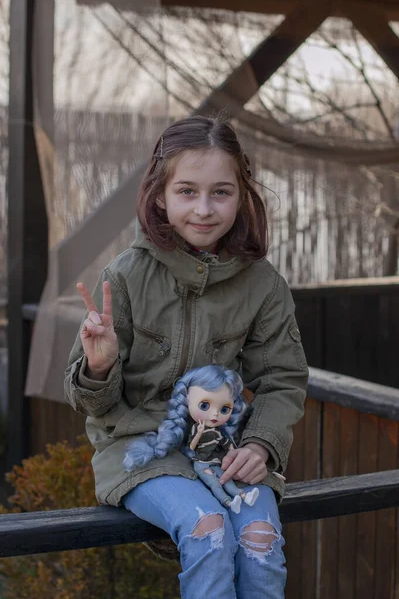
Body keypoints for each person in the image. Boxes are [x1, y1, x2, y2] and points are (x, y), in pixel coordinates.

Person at [65, 114, 309, 599]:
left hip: (224, 450)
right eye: (187, 191)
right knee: (209, 530)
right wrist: (100, 364)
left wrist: (260, 445)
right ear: (160, 194)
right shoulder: (126, 275)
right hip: (140, 451)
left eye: (220, 192)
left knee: (261, 542)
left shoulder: (263, 284)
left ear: (241, 196)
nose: (204, 208)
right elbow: (91, 405)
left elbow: (284, 378)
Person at [123, 364, 260, 514]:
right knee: (216, 483)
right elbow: (192, 447)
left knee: (227, 481)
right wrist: (200, 432)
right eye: (204, 405)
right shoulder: (196, 429)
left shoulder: (220, 432)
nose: (215, 415)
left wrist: (234, 453)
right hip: (201, 464)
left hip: (216, 462)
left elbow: (228, 445)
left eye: (224, 409)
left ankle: (244, 496)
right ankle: (228, 502)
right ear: (187, 399)